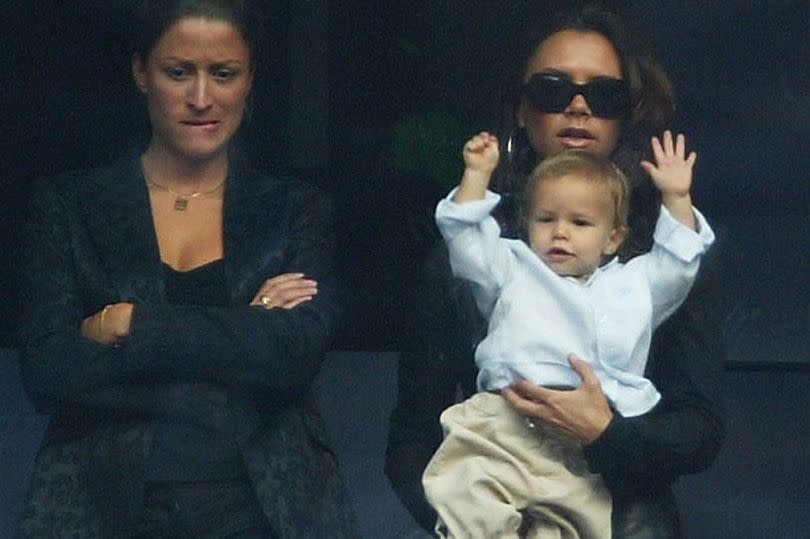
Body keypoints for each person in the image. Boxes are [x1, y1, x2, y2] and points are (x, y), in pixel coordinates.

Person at [16, 1, 358, 537]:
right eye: (179, 72)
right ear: (140, 74)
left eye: (223, 74)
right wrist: (243, 330)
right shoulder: (71, 204)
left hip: (272, 507)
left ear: (250, 80)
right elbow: (48, 372)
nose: (202, 98)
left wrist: (129, 324)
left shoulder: (294, 209)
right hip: (100, 506)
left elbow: (292, 357)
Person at [386, 5, 726, 538]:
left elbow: (700, 430)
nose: (578, 106)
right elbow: (411, 437)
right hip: (484, 485)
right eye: (551, 89)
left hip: (623, 515)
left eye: (605, 94)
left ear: (627, 112)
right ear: (521, 108)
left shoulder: (659, 253)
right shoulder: (476, 248)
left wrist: (605, 434)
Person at [422, 131, 714, 537]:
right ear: (527, 226)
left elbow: (679, 262)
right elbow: (466, 240)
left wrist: (677, 198)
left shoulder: (636, 285)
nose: (560, 232)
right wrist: (476, 176)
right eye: (546, 219)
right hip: (505, 422)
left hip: (584, 444)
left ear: (613, 238)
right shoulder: (512, 268)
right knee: (467, 495)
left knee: (577, 526)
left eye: (580, 222)